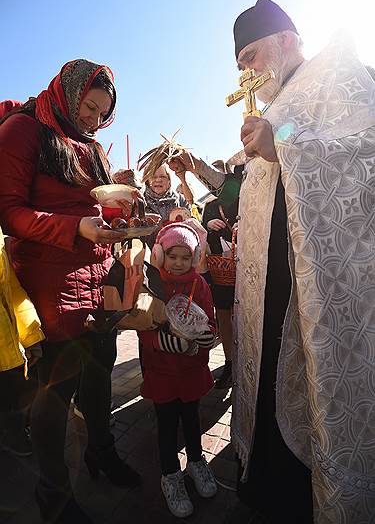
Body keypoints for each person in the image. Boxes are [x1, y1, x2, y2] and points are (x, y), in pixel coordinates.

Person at [171, 0, 375, 524]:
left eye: (253, 56)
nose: (247, 72)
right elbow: (247, 195)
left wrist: (283, 142)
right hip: (269, 288)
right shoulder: (272, 108)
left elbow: (363, 148)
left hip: (325, 285)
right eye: (240, 64)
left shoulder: (340, 76)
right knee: (267, 394)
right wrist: (216, 171)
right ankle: (270, 489)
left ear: (287, 40)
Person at [0, 59, 141, 524]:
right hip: (48, 283)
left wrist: (122, 205)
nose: (93, 120)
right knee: (52, 396)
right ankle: (53, 494)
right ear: (69, 91)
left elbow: (95, 206)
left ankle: (101, 452)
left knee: (100, 371)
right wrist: (74, 227)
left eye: (103, 114)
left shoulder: (91, 147)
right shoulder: (24, 130)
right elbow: (9, 212)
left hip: (97, 276)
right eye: (89, 106)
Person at [137, 222, 217, 518]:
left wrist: (207, 338)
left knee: (192, 418)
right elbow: (140, 321)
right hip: (162, 371)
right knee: (167, 425)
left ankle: (196, 461)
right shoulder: (151, 282)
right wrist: (158, 340)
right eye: (173, 256)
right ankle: (170, 474)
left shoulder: (202, 285)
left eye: (186, 257)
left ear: (195, 257)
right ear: (160, 255)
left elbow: (209, 320)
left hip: (192, 368)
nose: (179, 263)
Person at [0, 226, 44, 457]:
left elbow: (11, 289)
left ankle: (15, 436)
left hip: (9, 352)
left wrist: (31, 335)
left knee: (13, 400)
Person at [202, 160, 238, 389]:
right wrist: (208, 225)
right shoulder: (210, 205)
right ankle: (229, 363)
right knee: (224, 317)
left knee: (243, 318)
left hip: (245, 270)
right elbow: (203, 233)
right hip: (221, 272)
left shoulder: (245, 198)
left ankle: (246, 361)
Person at [143, 163, 193, 248]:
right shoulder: (140, 202)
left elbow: (191, 224)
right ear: (147, 181)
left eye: (163, 176)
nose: (158, 180)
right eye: (153, 177)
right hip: (148, 254)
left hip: (177, 251)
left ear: (169, 181)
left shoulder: (180, 200)